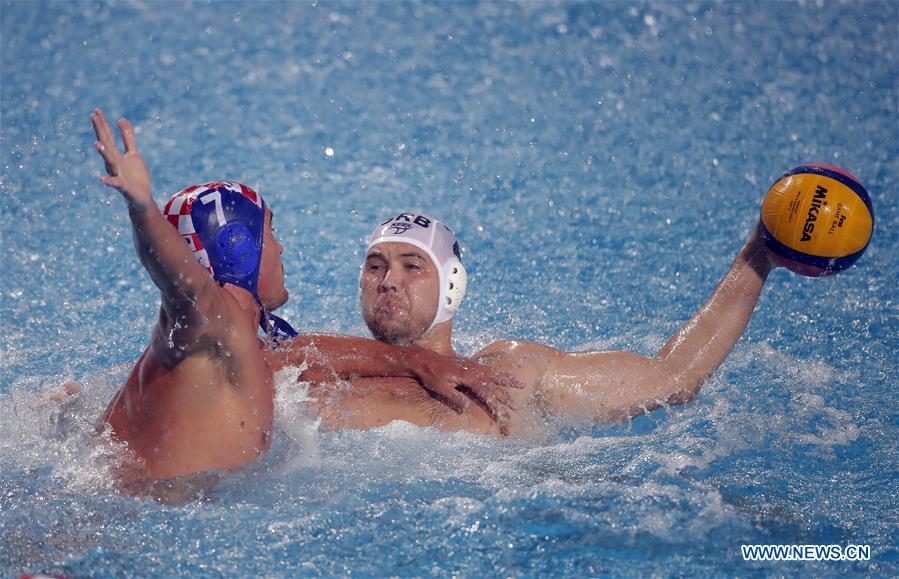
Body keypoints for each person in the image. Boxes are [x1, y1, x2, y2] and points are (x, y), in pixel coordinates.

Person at [88, 110, 519, 495]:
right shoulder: (212, 322)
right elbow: (184, 286)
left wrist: (417, 361)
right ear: (239, 248)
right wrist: (142, 207)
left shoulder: (238, 342)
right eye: (270, 234)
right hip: (126, 523)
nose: (281, 248)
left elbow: (299, 353)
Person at [305, 210, 779, 436]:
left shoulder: (513, 372)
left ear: (451, 285)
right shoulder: (319, 376)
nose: (389, 281)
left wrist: (759, 255)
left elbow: (674, 377)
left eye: (412, 266)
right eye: (375, 266)